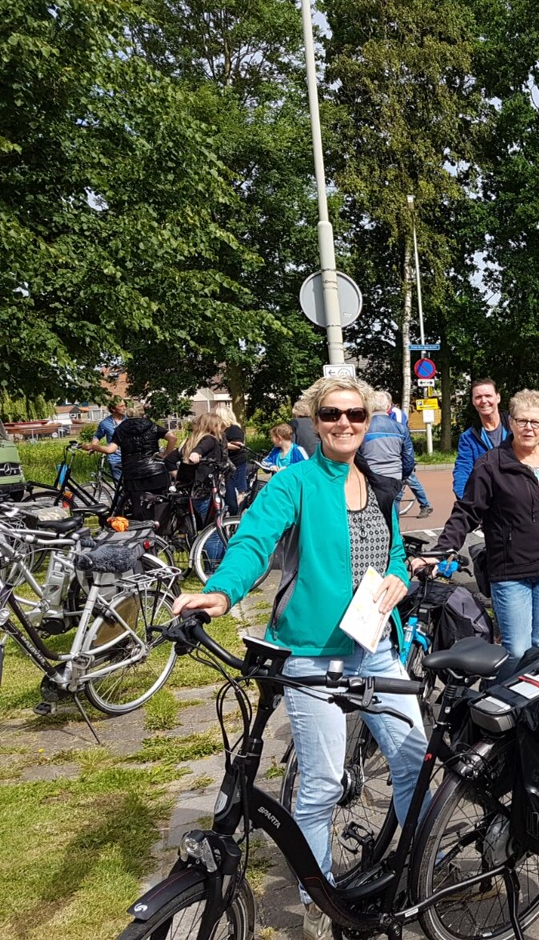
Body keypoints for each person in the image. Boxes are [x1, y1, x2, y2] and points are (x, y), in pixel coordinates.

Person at [171, 376, 423, 940]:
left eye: (355, 415)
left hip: (376, 649)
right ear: (314, 419)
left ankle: (418, 868)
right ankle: (321, 895)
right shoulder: (295, 483)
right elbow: (253, 541)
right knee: (322, 785)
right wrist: (223, 591)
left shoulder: (382, 486)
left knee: (414, 763)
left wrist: (400, 584)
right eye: (332, 414)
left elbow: (399, 556)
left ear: (368, 420)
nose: (344, 424)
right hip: (312, 657)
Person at [429, 390, 539, 671]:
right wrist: (442, 549)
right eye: (522, 421)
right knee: (516, 651)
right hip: (511, 572)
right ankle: (505, 709)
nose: (529, 427)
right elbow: (467, 511)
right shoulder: (491, 465)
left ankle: (532, 709)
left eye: (536, 422)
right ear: (511, 423)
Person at [360, 391, 430, 518]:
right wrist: (403, 474)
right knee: (394, 510)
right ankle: (396, 534)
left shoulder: (362, 427)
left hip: (373, 475)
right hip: (395, 471)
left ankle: (425, 504)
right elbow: (408, 455)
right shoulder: (399, 427)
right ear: (387, 406)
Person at [102, 404, 177, 519]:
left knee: (138, 509)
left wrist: (92, 446)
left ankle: (143, 532)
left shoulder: (120, 429)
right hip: (156, 472)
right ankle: (161, 532)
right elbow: (172, 438)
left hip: (133, 475)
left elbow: (110, 449)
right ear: (142, 414)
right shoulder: (151, 425)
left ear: (127, 414)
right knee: (161, 506)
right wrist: (165, 454)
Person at [453, 378, 509, 499]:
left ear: (498, 398)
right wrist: (466, 500)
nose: (484, 401)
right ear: (473, 401)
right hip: (487, 500)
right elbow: (463, 470)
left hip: (516, 499)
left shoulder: (516, 427)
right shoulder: (468, 438)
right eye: (478, 397)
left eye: (488, 395)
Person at [174, 412, 230, 528]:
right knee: (214, 527)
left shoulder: (192, 440)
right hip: (207, 490)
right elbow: (202, 447)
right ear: (213, 426)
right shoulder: (210, 439)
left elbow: (170, 459)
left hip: (196, 489)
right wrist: (196, 453)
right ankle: (212, 546)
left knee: (206, 524)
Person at [217, 406, 248, 515]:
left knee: (238, 489)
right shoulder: (221, 430)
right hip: (226, 464)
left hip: (237, 463)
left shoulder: (234, 429)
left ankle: (237, 513)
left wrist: (220, 445)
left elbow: (237, 445)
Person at [87, 397, 126, 482]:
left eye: (124, 405)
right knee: (119, 488)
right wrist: (93, 446)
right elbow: (97, 436)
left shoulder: (128, 421)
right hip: (115, 459)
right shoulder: (105, 423)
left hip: (129, 458)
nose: (125, 408)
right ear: (113, 408)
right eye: (121, 406)